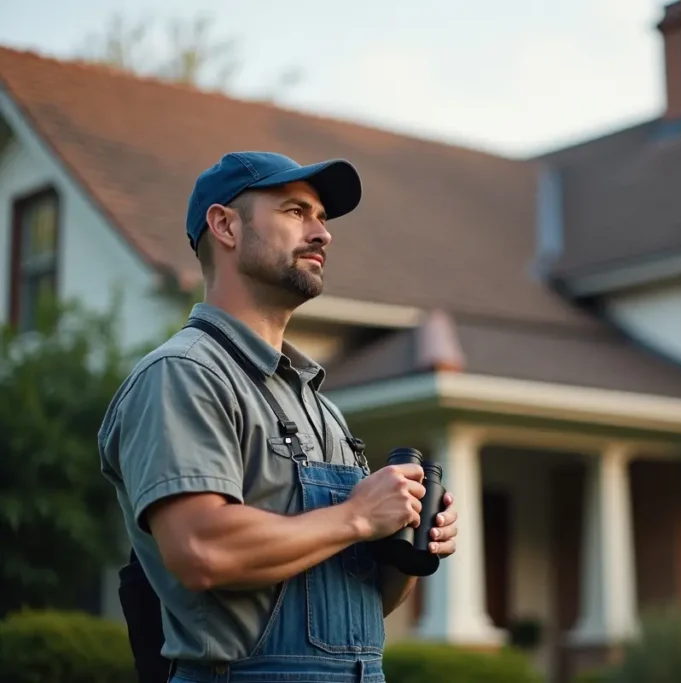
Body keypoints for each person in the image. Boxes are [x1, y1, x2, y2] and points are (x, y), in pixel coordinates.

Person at [98, 151, 458, 683]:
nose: (322, 233)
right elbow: (201, 549)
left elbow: (357, 603)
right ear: (225, 226)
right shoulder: (184, 375)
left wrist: (403, 540)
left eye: (323, 218)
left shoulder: (322, 409)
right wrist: (357, 515)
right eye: (296, 211)